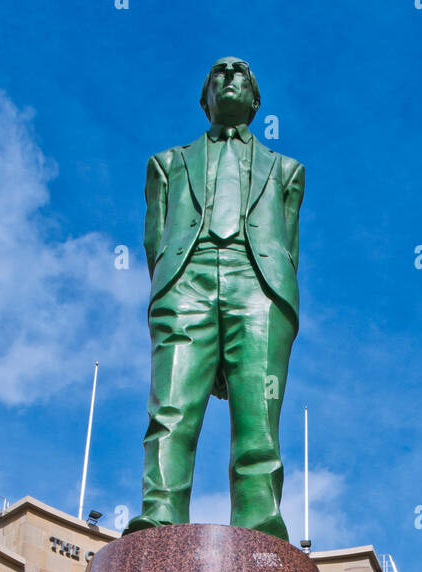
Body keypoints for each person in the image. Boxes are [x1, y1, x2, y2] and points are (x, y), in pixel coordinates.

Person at [127, 56, 305, 541]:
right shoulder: (166, 165)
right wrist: (173, 289)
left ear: (255, 99)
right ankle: (159, 513)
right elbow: (154, 241)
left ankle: (260, 521)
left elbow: (288, 246)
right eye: (218, 73)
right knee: (171, 407)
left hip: (260, 286)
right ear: (205, 98)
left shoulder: (287, 171)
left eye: (240, 72)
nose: (229, 75)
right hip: (187, 279)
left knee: (259, 418)